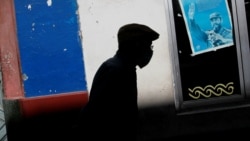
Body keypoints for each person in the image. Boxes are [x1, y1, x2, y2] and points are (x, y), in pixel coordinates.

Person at [73, 23, 159, 141]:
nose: (150, 51)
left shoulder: (126, 69)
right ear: (136, 45)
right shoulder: (115, 70)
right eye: (148, 45)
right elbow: (98, 116)